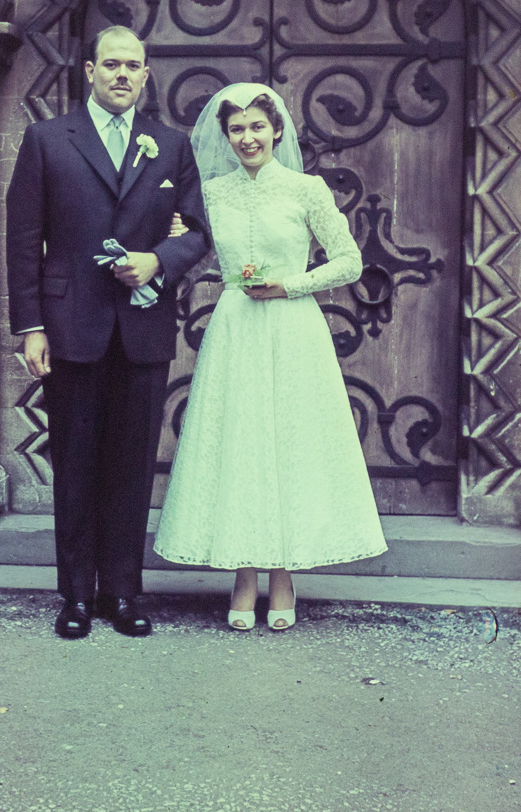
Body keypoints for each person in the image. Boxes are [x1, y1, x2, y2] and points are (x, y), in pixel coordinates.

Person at [153, 82, 387, 631]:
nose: (248, 137)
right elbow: (183, 245)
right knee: (240, 442)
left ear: (276, 130)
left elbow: (350, 261)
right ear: (226, 136)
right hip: (235, 327)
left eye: (258, 126)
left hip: (292, 326)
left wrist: (291, 285)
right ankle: (243, 574)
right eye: (237, 129)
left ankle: (283, 576)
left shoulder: (306, 189)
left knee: (287, 442)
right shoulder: (212, 193)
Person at [6, 25, 209, 639]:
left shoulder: (170, 147)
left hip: (143, 326)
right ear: (89, 71)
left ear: (146, 76)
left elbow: (199, 231)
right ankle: (75, 595)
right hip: (71, 325)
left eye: (134, 66)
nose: (122, 75)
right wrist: (30, 325)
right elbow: (22, 238)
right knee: (74, 461)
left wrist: (159, 261)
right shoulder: (47, 140)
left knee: (131, 465)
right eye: (111, 64)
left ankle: (123, 593)